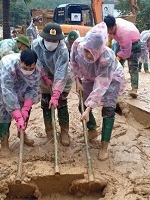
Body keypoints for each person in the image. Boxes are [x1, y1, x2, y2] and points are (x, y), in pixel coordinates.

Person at [71, 22, 126, 161]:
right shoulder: (77, 45)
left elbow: (101, 85)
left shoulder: (106, 58)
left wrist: (89, 109)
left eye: (92, 52)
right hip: (89, 76)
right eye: (87, 51)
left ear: (99, 49)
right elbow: (73, 62)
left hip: (111, 77)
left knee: (108, 109)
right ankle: (92, 129)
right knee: (81, 104)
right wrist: (77, 80)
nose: (88, 55)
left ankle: (104, 146)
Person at [0, 49, 41, 153]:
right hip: (2, 84)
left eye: (31, 68)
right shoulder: (8, 65)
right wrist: (17, 116)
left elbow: (34, 87)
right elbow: (8, 91)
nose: (28, 70)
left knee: (25, 111)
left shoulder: (38, 68)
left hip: (23, 84)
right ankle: (4, 143)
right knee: (5, 111)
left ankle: (21, 132)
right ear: (19, 61)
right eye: (25, 68)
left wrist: (25, 108)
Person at [32, 23, 74, 146]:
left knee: (61, 103)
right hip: (44, 77)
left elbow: (61, 71)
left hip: (62, 77)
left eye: (54, 40)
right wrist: (45, 77)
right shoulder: (35, 45)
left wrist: (56, 94)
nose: (51, 42)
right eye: (48, 39)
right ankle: (49, 131)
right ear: (43, 38)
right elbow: (37, 63)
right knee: (46, 104)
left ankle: (64, 131)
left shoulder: (63, 50)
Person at [103, 15, 141, 98]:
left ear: (114, 26)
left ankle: (134, 89)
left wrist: (118, 58)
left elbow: (126, 52)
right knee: (115, 67)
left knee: (132, 66)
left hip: (134, 44)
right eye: (107, 30)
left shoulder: (123, 33)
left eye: (110, 29)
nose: (109, 31)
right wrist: (109, 40)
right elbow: (110, 33)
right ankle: (113, 86)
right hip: (122, 43)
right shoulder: (113, 22)